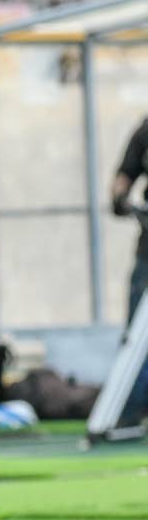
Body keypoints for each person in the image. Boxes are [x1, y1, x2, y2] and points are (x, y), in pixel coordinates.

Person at [111, 117, 148, 427]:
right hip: (147, 251)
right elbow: (123, 177)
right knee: (137, 334)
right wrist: (120, 200)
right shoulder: (145, 130)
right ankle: (131, 413)